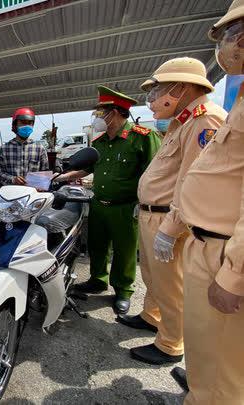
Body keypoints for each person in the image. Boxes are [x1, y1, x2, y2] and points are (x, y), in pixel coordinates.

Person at [116, 58, 227, 366]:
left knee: (170, 286)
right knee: (153, 278)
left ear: (183, 87)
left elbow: (192, 181)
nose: (153, 99)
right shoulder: (183, 122)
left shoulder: (205, 121)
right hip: (154, 214)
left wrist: (170, 227)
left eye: (161, 90)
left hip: (169, 219)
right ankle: (152, 316)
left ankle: (170, 344)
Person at [167, 2, 244, 402]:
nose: (229, 43)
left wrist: (234, 275)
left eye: (232, 32)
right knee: (206, 343)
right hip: (205, 239)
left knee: (226, 364)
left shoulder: (208, 117)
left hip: (224, 248)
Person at [60, 86, 161, 314]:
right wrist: (63, 177)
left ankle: (123, 290)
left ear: (114, 113)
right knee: (97, 246)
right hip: (99, 204)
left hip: (126, 207)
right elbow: (88, 168)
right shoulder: (100, 142)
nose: (97, 119)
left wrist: (146, 205)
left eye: (99, 114)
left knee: (124, 251)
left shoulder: (142, 137)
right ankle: (98, 280)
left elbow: (155, 174)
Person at [0, 107, 49, 185]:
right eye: (23, 122)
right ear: (15, 125)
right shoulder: (4, 149)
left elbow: (45, 173)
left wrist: (41, 183)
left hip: (33, 194)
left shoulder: (40, 149)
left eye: (29, 123)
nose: (27, 126)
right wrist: (13, 179)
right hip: (10, 193)